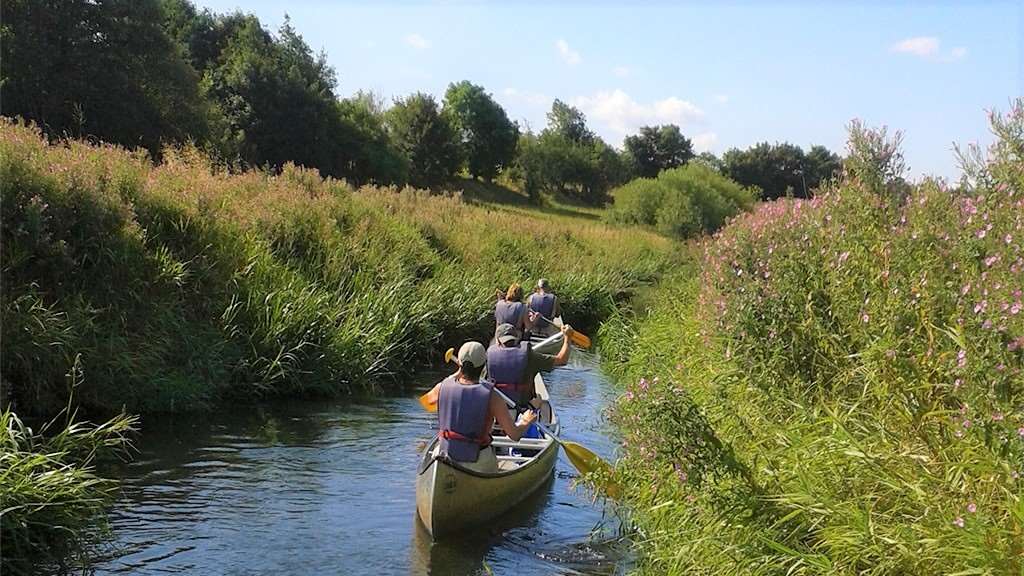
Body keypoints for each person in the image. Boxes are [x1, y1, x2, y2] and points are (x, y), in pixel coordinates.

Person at [425, 341, 537, 473]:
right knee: (510, 467)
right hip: (478, 460)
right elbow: (514, 435)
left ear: (460, 364)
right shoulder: (493, 397)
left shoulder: (441, 386)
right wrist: (526, 421)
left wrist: (455, 374)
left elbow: (427, 403)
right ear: (484, 366)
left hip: (444, 454)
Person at [487, 322, 573, 408]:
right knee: (541, 401)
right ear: (516, 339)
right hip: (524, 408)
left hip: (496, 407)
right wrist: (567, 338)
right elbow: (562, 360)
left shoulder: (489, 357)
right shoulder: (529, 356)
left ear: (497, 341)